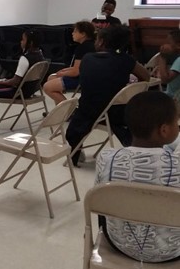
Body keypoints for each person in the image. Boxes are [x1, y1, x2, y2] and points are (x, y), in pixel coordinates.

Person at [95, 91, 180, 264]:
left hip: (118, 243)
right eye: (176, 122)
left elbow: (100, 206)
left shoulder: (106, 158)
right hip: (170, 251)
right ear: (164, 130)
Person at [66, 25, 150, 166]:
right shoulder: (126, 60)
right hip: (117, 114)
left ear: (102, 42)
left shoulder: (88, 58)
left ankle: (76, 153)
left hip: (89, 111)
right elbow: (146, 77)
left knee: (74, 127)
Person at [0, 29, 45, 112]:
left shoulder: (25, 58)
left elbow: (15, 82)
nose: (21, 42)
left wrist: (1, 82)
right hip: (32, 89)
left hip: (19, 92)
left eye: (23, 39)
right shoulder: (40, 55)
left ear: (30, 43)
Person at [43, 21, 96, 105]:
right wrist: (64, 71)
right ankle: (60, 111)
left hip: (83, 80)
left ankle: (69, 110)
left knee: (47, 87)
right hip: (91, 77)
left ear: (83, 34)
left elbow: (75, 72)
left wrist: (62, 74)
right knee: (51, 77)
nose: (72, 33)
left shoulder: (82, 48)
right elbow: (79, 67)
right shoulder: (93, 45)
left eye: (75, 31)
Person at [156, 29, 180, 104]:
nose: (165, 45)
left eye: (169, 42)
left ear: (178, 45)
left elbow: (165, 79)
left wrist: (163, 57)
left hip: (175, 97)